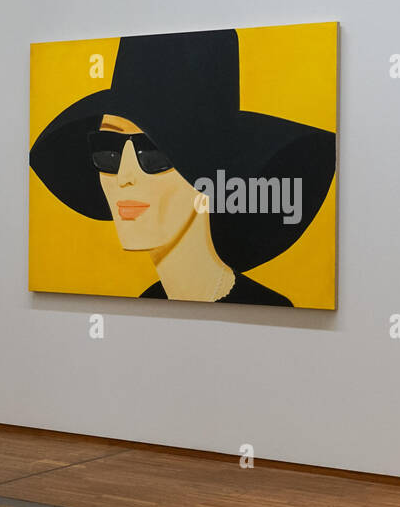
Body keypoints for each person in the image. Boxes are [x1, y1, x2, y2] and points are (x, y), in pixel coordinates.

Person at [29, 29, 336, 306]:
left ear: (208, 169)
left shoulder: (268, 309)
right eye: (107, 149)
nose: (124, 177)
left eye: (152, 152)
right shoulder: (150, 300)